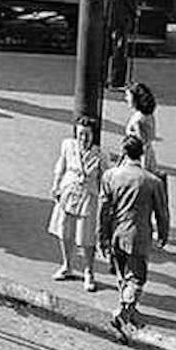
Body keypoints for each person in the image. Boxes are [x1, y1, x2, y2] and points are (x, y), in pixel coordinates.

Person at [98, 133, 169, 341]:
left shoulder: (110, 176)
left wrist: (102, 236)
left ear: (124, 152)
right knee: (137, 279)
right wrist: (163, 235)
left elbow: (104, 210)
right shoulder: (152, 181)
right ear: (142, 153)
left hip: (116, 233)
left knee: (122, 275)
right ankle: (123, 312)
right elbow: (162, 213)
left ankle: (129, 311)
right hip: (139, 236)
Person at [48, 115, 102, 291]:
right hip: (68, 191)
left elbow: (106, 178)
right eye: (80, 134)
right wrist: (56, 186)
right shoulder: (67, 145)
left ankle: (89, 271)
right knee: (64, 231)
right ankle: (67, 265)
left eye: (87, 135)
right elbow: (60, 166)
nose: (83, 139)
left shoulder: (101, 154)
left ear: (93, 135)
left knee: (86, 237)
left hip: (88, 195)